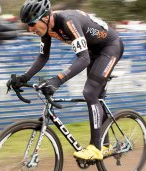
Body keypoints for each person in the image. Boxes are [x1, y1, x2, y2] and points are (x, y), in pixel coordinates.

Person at [9, 0, 124, 160]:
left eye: (32, 23)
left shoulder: (68, 21)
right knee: (95, 96)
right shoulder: (47, 29)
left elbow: (83, 59)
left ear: (46, 17)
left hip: (110, 47)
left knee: (90, 92)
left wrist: (57, 80)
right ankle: (106, 146)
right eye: (27, 25)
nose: (30, 29)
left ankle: (95, 148)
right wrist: (24, 78)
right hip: (93, 51)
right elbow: (43, 57)